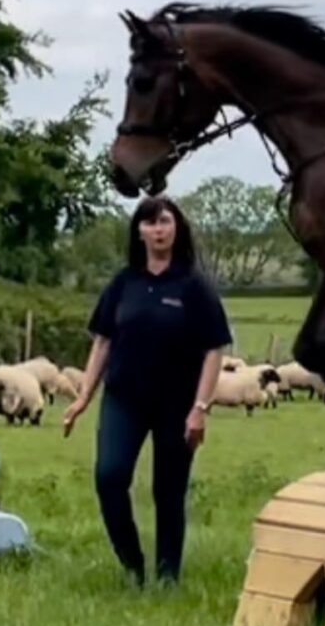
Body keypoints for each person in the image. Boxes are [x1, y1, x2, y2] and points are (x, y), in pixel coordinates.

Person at [63, 197, 232, 586]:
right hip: (124, 398)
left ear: (177, 229)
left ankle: (168, 575)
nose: (158, 229)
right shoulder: (124, 283)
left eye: (165, 222)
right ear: (138, 231)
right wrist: (84, 395)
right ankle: (133, 566)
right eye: (150, 223)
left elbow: (213, 349)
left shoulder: (193, 286)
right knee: (110, 477)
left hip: (177, 404)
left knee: (168, 491)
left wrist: (200, 408)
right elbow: (103, 341)